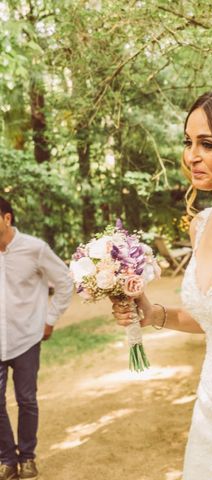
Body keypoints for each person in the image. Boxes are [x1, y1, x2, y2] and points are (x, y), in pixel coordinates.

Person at [110, 82, 212, 479]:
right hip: (211, 411)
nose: (192, 157)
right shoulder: (201, 225)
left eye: (208, 144)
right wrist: (151, 313)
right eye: (189, 143)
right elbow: (210, 321)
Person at [0, 196, 73, 480]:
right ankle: (7, 461)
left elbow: (65, 281)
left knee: (26, 399)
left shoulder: (35, 249)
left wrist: (50, 319)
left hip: (26, 337)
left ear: (7, 218)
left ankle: (27, 457)